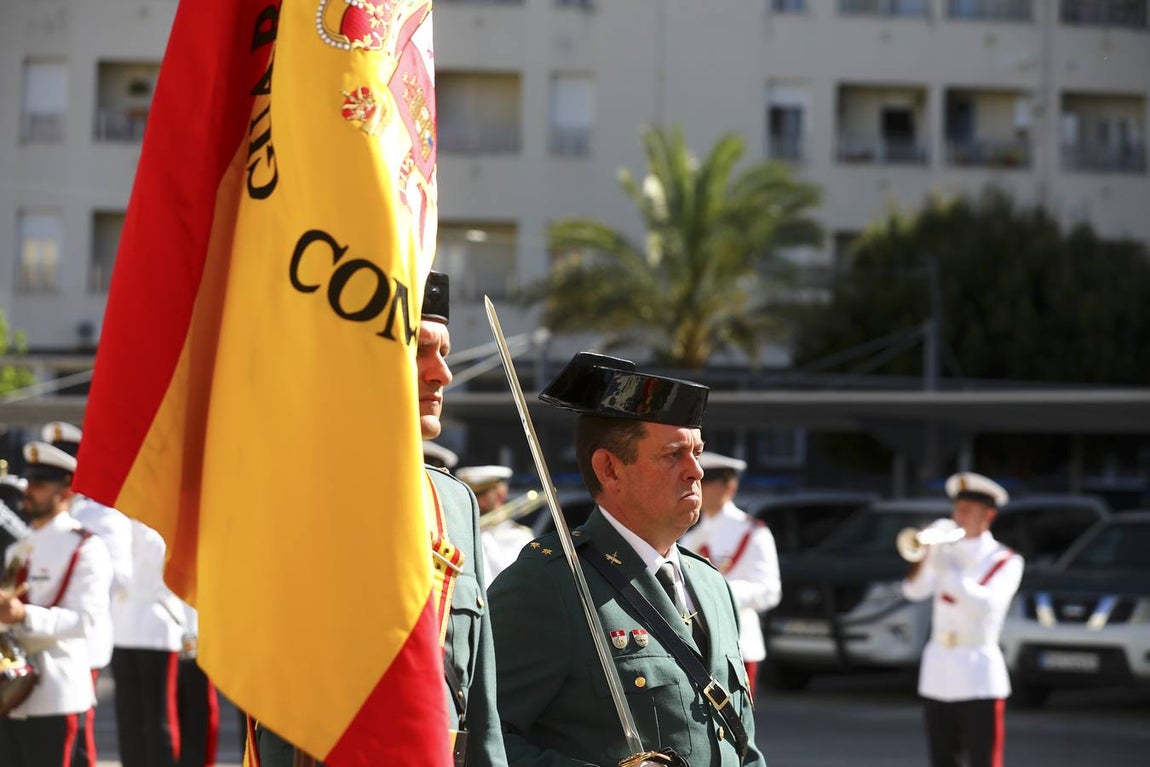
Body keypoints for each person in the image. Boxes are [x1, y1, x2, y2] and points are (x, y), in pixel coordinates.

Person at [255, 271, 508, 767]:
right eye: (420, 352)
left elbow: (480, 702)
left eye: (445, 354)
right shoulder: (298, 492)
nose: (442, 374)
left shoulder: (456, 503)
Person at [488, 352, 766, 767]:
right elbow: (482, 738)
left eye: (698, 452)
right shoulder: (549, 584)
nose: (696, 471)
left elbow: (744, 748)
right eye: (674, 455)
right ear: (610, 469)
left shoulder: (711, 585)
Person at [0, 441, 113, 766]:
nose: (29, 489)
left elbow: (84, 620)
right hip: (11, 695)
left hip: (55, 693)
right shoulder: (19, 550)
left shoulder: (86, 548)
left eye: (39, 484)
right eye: (29, 481)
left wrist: (23, 614)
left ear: (65, 493)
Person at [901, 471, 1023, 767]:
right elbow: (913, 591)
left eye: (969, 510)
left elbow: (986, 606)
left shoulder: (1005, 560)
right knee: (942, 759)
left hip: (979, 675)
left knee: (983, 759)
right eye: (958, 509)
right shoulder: (945, 550)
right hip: (938, 673)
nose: (960, 516)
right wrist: (926, 556)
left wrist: (949, 573)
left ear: (989, 515)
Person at [41, 420, 133, 765]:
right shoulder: (41, 514)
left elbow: (120, 578)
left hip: (82, 639)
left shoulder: (102, 515)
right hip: (43, 637)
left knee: (79, 733)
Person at [680, 451, 780, 696]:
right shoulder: (690, 534)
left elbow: (770, 591)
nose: (698, 488)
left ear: (729, 486)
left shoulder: (751, 531)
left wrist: (718, 591)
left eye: (706, 482)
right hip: (696, 644)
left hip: (739, 643)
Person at [111, 519, 187, 767]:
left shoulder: (153, 519)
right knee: (133, 714)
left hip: (154, 626)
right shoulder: (121, 520)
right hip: (131, 626)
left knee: (154, 716)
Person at [457, 465, 535, 586]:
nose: (473, 500)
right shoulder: (463, 531)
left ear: (500, 493)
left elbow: (509, 579)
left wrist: (483, 535)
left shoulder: (519, 536)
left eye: (480, 494)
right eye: (470, 495)